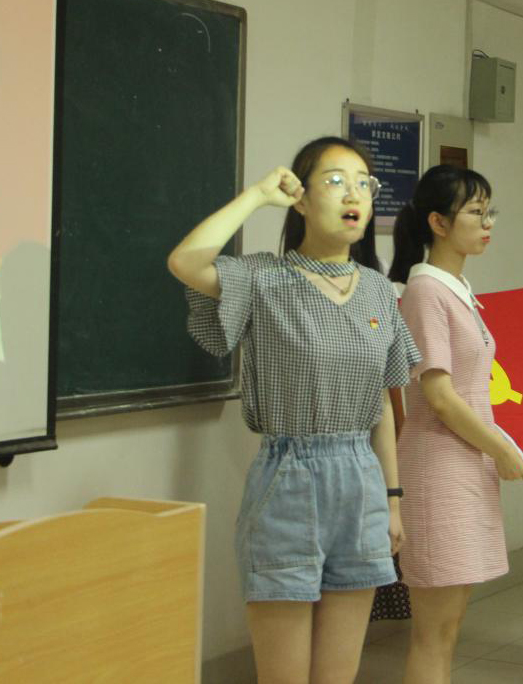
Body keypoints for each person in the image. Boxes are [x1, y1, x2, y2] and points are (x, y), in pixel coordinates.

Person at [167, 136, 421, 684]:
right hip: (288, 479)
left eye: (364, 183)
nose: (354, 195)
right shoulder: (264, 278)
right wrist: (258, 195)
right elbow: (185, 261)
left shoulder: (379, 292)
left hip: (362, 484)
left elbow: (381, 403)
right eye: (336, 181)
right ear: (300, 199)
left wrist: (393, 501)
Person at [388, 165, 523, 684]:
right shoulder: (426, 291)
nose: (487, 223)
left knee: (449, 628)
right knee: (434, 632)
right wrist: (502, 448)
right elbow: (440, 398)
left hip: (464, 467)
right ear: (439, 223)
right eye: (476, 212)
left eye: (490, 212)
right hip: (439, 469)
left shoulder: (456, 289)